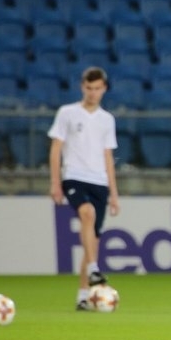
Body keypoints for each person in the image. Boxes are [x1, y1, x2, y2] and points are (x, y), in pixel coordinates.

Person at [48, 66, 120, 311]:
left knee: (93, 243)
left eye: (97, 88)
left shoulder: (107, 119)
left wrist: (114, 194)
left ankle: (82, 296)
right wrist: (55, 182)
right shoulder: (67, 113)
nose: (92, 93)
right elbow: (56, 149)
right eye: (89, 88)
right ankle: (94, 268)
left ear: (104, 89)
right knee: (87, 213)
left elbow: (108, 156)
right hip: (74, 176)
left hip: (99, 181)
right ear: (82, 87)